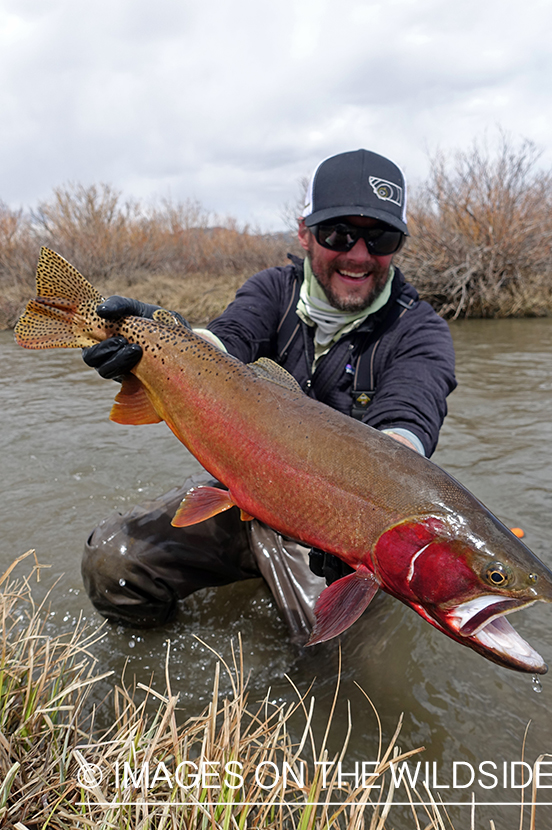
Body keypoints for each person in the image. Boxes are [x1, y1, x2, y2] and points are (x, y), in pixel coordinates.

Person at [81, 149, 457, 643]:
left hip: (337, 528)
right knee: (113, 564)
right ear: (304, 233)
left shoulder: (421, 332)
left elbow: (407, 422)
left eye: (380, 237)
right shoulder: (271, 291)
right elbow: (227, 341)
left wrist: (364, 527)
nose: (359, 254)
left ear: (398, 245)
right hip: (241, 488)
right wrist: (161, 341)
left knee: (331, 656)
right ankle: (163, 682)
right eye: (339, 234)